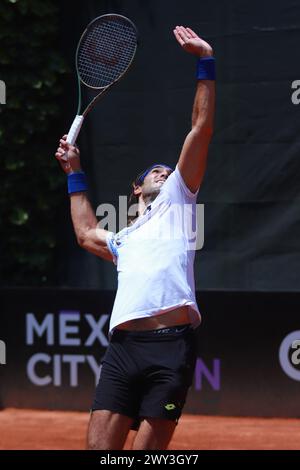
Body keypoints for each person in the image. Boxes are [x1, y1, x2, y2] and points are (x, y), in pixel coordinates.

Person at [55, 25, 215, 450]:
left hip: (171, 348)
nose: (166, 171)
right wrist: (75, 174)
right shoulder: (123, 239)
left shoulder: (179, 200)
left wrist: (206, 61)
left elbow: (199, 128)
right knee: (100, 452)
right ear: (136, 189)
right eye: (156, 171)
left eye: (170, 170)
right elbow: (87, 233)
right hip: (123, 348)